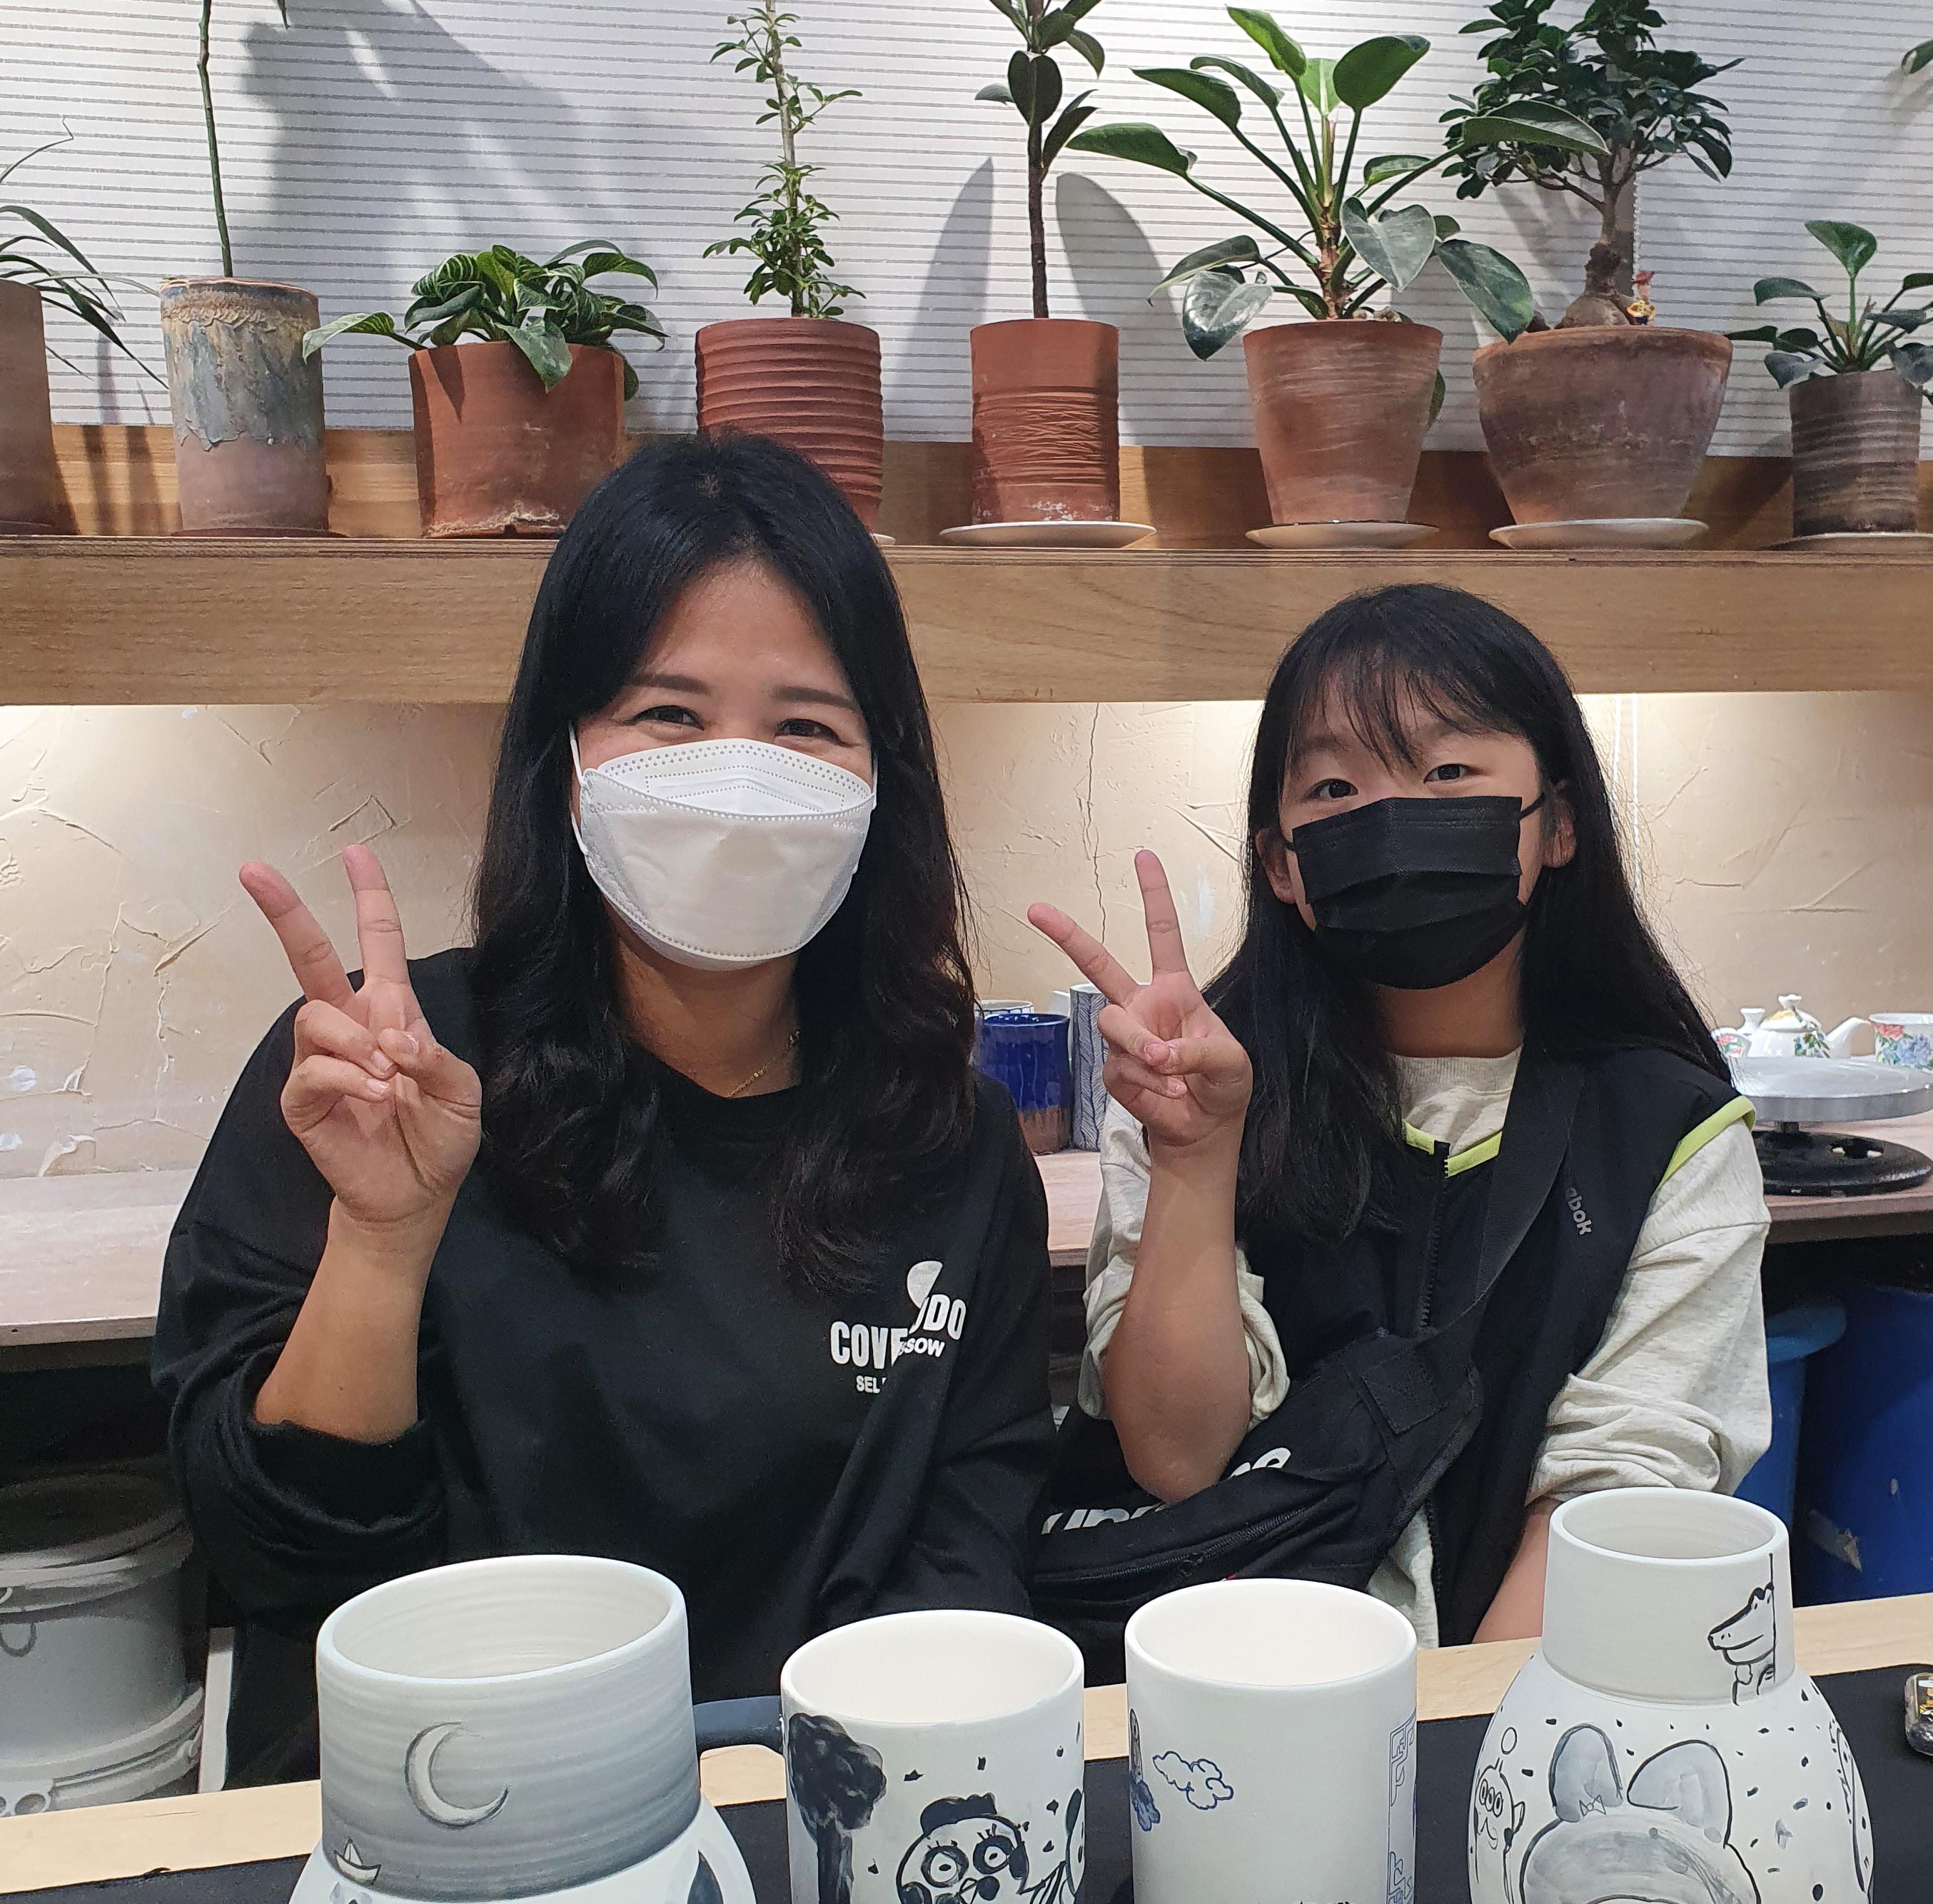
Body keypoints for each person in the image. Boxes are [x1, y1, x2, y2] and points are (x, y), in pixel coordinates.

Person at [156, 434, 1053, 1778]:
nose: (737, 777)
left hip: (821, 1815)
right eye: (670, 714)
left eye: (806, 726)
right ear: (568, 757)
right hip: (451, 1812)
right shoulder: (385, 1076)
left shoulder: (951, 1142)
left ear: (882, 781)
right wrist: (382, 1247)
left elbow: (971, 1556)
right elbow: (279, 1558)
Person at [1030, 582, 1768, 1648]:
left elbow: (1612, 1503)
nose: (1391, 818)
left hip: (1508, 1699)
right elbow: (1177, 1458)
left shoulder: (1670, 1133)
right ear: (1282, 865)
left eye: (1448, 772)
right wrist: (1194, 1155)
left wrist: (1464, 1726)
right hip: (1223, 1677)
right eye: (1335, 786)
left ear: (1558, 824)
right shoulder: (1195, 1083)